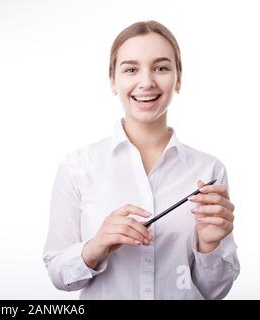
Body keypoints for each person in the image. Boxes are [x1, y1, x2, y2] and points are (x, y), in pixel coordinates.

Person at [42, 20, 240, 299]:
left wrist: (209, 245)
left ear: (179, 78)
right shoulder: (77, 166)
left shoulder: (209, 171)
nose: (146, 82)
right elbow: (58, 274)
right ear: (113, 81)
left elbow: (214, 291)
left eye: (161, 68)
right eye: (131, 69)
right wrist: (96, 246)